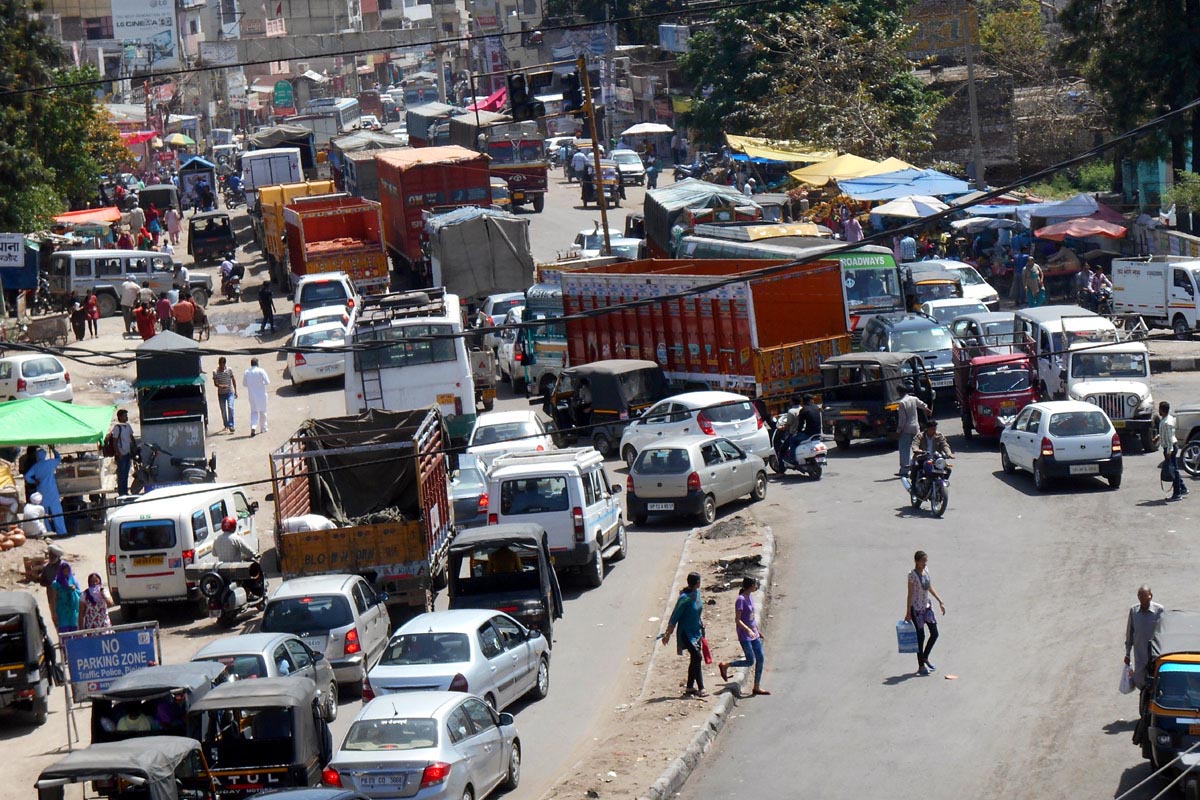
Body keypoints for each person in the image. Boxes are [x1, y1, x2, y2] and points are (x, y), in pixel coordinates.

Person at [718, 576, 769, 696]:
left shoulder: (750, 597)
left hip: (753, 634)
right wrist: (748, 630)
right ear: (751, 586)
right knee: (750, 660)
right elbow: (738, 620)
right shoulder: (740, 600)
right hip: (745, 635)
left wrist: (756, 630)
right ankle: (726, 665)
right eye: (755, 584)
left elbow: (751, 617)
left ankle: (756, 686)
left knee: (760, 658)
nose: (756, 586)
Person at [661, 572, 707, 697]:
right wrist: (667, 634)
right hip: (686, 633)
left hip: (696, 631)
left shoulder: (696, 594)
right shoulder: (684, 599)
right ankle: (701, 688)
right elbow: (675, 616)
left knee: (695, 659)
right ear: (697, 582)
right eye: (699, 581)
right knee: (697, 657)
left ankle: (690, 687)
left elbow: (697, 612)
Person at [905, 550, 945, 676]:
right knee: (920, 637)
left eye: (926, 561)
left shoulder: (926, 570)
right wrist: (908, 612)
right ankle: (921, 665)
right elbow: (910, 594)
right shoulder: (912, 575)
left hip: (926, 607)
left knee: (935, 633)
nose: (925, 563)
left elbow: (929, 586)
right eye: (923, 561)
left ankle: (925, 657)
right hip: (916, 609)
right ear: (916, 561)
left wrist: (939, 600)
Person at [1126, 585, 1165, 689]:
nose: (1142, 600)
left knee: (1156, 681)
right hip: (1140, 655)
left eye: (1145, 597)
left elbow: (1164, 632)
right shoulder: (1134, 611)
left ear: (1150, 596)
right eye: (1140, 597)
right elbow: (1129, 633)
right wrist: (1127, 654)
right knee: (1139, 681)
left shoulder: (1159, 610)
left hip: (1155, 654)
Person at [25, 448, 65, 536]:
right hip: (52, 490)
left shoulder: (35, 466)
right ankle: (61, 531)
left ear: (37, 457)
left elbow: (27, 477)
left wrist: (34, 481)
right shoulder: (50, 463)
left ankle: (48, 532)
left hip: (41, 491)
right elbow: (59, 459)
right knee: (57, 512)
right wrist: (54, 450)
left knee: (44, 513)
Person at [896, 384, 930, 476]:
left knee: (904, 450)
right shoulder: (913, 399)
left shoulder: (902, 402)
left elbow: (902, 419)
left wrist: (898, 431)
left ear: (899, 392)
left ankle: (904, 471)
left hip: (906, 430)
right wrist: (927, 409)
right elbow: (922, 405)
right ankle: (922, 467)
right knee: (918, 448)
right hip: (916, 428)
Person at [1159, 401, 1188, 500]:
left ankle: (1177, 494)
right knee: (1174, 468)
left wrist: (1168, 452)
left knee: (1173, 471)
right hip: (1170, 447)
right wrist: (1158, 437)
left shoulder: (1167, 423)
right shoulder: (1168, 419)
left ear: (1161, 410)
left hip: (1169, 448)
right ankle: (1183, 488)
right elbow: (1166, 434)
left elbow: (1170, 438)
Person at [109, 409, 137, 497]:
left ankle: (125, 491)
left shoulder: (128, 426)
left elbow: (131, 437)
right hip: (121, 455)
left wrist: (134, 447)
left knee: (126, 474)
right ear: (120, 417)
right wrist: (118, 453)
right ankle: (121, 492)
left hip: (128, 453)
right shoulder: (117, 428)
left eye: (126, 415)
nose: (126, 417)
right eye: (124, 415)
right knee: (121, 474)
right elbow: (114, 442)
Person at [243, 357, 270, 437]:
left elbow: (244, 384)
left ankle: (253, 427)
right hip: (262, 394)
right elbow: (267, 382)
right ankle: (263, 428)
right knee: (263, 411)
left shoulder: (247, 372)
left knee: (254, 412)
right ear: (257, 364)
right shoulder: (261, 371)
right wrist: (260, 383)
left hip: (252, 396)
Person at [53, 562, 82, 633]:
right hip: (62, 610)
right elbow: (54, 598)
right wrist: (54, 613)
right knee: (64, 629)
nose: (66, 573)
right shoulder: (56, 583)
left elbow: (80, 594)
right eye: (64, 571)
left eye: (68, 571)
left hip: (73, 610)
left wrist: (74, 589)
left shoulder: (74, 581)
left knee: (75, 630)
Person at [213, 356, 238, 433]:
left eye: (223, 365)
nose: (222, 367)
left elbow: (233, 379)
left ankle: (231, 425)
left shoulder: (229, 370)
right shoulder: (215, 372)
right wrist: (221, 386)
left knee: (230, 407)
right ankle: (226, 424)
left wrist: (236, 391)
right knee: (223, 410)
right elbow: (215, 383)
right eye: (220, 365)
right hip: (221, 394)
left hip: (230, 392)